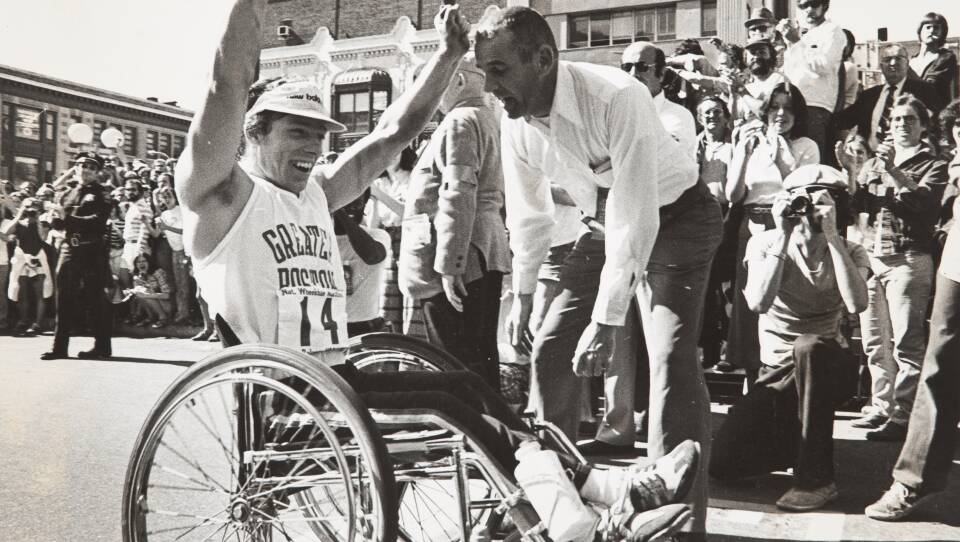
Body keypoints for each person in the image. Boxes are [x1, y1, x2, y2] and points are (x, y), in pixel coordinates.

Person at [176, 2, 697, 539]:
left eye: (319, 135)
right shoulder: (222, 200)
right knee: (451, 407)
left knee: (467, 388)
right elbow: (226, 83)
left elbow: (393, 132)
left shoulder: (316, 194)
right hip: (286, 398)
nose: (314, 146)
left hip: (339, 380)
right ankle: (582, 521)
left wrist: (448, 54)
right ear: (254, 133)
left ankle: (601, 495)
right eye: (297, 132)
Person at [476, 6, 721, 537]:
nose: (490, 87)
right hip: (603, 223)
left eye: (498, 70)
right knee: (549, 348)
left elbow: (637, 211)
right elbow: (530, 216)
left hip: (677, 216)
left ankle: (675, 524)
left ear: (543, 59)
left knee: (670, 362)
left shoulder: (616, 95)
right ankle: (554, 506)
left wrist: (609, 319)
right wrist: (522, 295)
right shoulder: (514, 122)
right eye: (484, 73)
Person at [710, 164, 869, 512]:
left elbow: (857, 304)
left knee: (809, 346)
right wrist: (782, 234)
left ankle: (817, 480)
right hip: (777, 374)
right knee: (722, 464)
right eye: (802, 196)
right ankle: (794, 445)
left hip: (826, 368)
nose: (809, 206)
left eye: (820, 198)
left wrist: (831, 237)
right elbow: (757, 302)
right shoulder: (765, 241)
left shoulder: (850, 250)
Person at [865, 104, 960, 520]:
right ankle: (912, 481)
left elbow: (919, 203)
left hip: (916, 259)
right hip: (954, 265)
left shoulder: (933, 163)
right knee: (938, 366)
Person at [398, 54, 511, 391]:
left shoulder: (459, 121)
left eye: (436, 82)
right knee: (478, 358)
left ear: (459, 81)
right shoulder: (485, 118)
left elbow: (457, 192)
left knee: (456, 362)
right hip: (480, 248)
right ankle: (491, 435)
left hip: (457, 258)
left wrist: (450, 264)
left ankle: (476, 434)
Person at [849, 95, 948, 440]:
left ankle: (904, 415)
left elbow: (924, 204)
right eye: (896, 120)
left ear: (923, 125)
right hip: (874, 255)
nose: (902, 125)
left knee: (907, 342)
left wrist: (892, 170)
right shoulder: (875, 162)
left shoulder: (935, 163)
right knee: (875, 340)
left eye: (909, 119)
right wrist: (851, 168)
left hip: (907, 257)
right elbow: (858, 203)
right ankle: (881, 406)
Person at [722, 82, 819, 378]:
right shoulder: (751, 141)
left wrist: (780, 159)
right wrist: (743, 153)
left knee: (782, 302)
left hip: (787, 225)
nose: (780, 114)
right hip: (751, 227)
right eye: (775, 107)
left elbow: (802, 193)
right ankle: (752, 379)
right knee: (751, 303)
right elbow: (733, 194)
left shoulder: (806, 146)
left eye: (788, 108)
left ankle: (784, 375)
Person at [40, 153, 113, 360]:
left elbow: (98, 221)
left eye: (91, 167)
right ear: (76, 168)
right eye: (82, 165)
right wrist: (54, 218)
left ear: (98, 171)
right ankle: (59, 347)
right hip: (69, 248)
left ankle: (102, 346)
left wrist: (68, 218)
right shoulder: (66, 193)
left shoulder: (102, 194)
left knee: (95, 298)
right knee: (63, 298)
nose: (86, 170)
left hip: (92, 249)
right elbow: (59, 224)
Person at [833, 44, 941, 153]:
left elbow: (935, 124)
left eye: (898, 58)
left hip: (907, 157)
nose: (893, 63)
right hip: (871, 159)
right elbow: (843, 120)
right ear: (881, 66)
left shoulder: (924, 91)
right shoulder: (868, 95)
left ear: (907, 64)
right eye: (888, 59)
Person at [778, 0, 846, 160]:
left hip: (815, 106)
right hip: (793, 104)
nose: (809, 9)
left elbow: (824, 66)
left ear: (825, 6)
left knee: (812, 161)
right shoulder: (804, 34)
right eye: (803, 5)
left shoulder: (833, 31)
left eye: (814, 4)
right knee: (791, 158)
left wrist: (796, 42)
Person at [335, 191, 391, 337]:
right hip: (330, 327)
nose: (352, 208)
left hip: (365, 328)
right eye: (347, 202)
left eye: (358, 203)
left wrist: (339, 212)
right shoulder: (321, 238)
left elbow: (372, 255)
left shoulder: (378, 236)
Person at [2, 197, 53, 336]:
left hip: (38, 258)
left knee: (40, 293)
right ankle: (23, 320)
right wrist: (19, 213)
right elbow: (5, 232)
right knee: (22, 292)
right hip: (22, 258)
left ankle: (38, 323)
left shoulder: (41, 221)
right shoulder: (18, 222)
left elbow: (43, 238)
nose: (31, 209)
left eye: (34, 206)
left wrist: (36, 220)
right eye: (29, 206)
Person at [910, 12, 958, 110]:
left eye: (936, 28)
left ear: (942, 33)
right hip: (912, 116)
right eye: (928, 27)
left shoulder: (946, 58)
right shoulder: (911, 60)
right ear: (920, 31)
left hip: (935, 117)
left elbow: (929, 87)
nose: (932, 31)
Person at [125, 252, 172, 327]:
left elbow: (167, 295)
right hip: (151, 304)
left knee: (146, 296)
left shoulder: (158, 272)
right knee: (138, 294)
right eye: (139, 262)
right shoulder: (137, 275)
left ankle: (163, 318)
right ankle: (148, 317)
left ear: (149, 262)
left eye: (144, 261)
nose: (141, 264)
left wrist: (147, 295)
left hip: (166, 304)